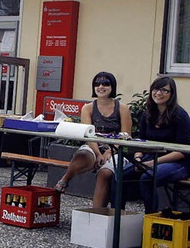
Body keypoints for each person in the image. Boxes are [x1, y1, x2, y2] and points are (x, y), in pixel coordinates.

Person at [53, 72, 132, 208]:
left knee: (105, 173)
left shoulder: (123, 108)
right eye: (97, 84)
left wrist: (109, 152)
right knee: (82, 156)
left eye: (106, 83)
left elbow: (126, 136)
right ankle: (65, 179)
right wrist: (98, 154)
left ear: (112, 86)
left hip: (116, 149)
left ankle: (96, 213)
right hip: (93, 145)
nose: (101, 87)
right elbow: (88, 134)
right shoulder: (87, 108)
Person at [121, 76, 190, 213]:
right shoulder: (148, 114)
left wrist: (152, 163)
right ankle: (118, 217)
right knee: (121, 174)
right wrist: (139, 158)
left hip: (179, 163)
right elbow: (141, 142)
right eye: (156, 89)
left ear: (172, 94)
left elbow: (183, 150)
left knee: (147, 177)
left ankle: (151, 219)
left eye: (164, 90)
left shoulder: (181, 116)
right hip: (150, 158)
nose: (159, 93)